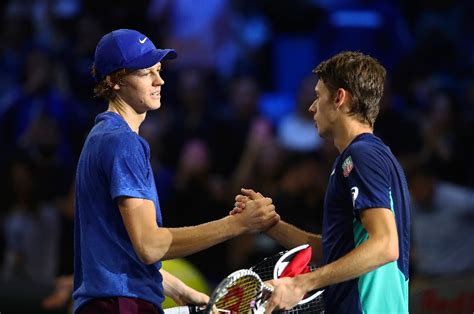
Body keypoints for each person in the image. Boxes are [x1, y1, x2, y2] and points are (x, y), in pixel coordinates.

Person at [73, 29, 279, 314]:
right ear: (114, 81)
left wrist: (181, 291)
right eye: (146, 73)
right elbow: (149, 246)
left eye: (158, 70)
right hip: (121, 305)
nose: (160, 80)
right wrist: (239, 224)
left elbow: (122, 251)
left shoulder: (100, 136)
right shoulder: (123, 142)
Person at [234, 51, 410, 313]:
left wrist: (300, 284)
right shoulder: (364, 156)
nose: (312, 107)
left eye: (318, 96)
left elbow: (385, 245)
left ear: (339, 98)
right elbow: (335, 251)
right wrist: (271, 225)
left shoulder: (361, 155)